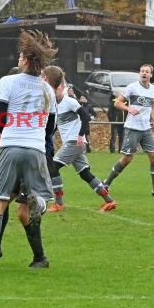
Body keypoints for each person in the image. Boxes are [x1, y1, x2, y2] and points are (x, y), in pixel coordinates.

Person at [0, 30, 57, 274]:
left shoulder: (7, 82)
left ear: (25, 60)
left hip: (10, 146)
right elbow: (51, 127)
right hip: (34, 149)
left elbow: (0, 117)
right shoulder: (48, 90)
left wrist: (8, 132)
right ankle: (39, 204)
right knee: (41, 199)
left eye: (21, 56)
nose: (18, 59)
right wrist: (36, 138)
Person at [47, 70, 116, 213]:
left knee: (52, 167)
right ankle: (109, 201)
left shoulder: (70, 101)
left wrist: (80, 136)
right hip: (73, 143)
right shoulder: (54, 105)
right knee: (85, 174)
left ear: (60, 87)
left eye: (53, 86)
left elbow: (85, 117)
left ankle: (59, 203)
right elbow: (55, 125)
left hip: (75, 142)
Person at [103, 64, 154, 197]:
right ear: (140, 73)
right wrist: (128, 109)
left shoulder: (153, 89)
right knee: (127, 159)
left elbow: (152, 106)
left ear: (151, 75)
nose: (144, 73)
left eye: (146, 72)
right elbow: (117, 103)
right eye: (142, 71)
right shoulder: (132, 87)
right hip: (132, 128)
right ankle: (106, 183)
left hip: (146, 129)